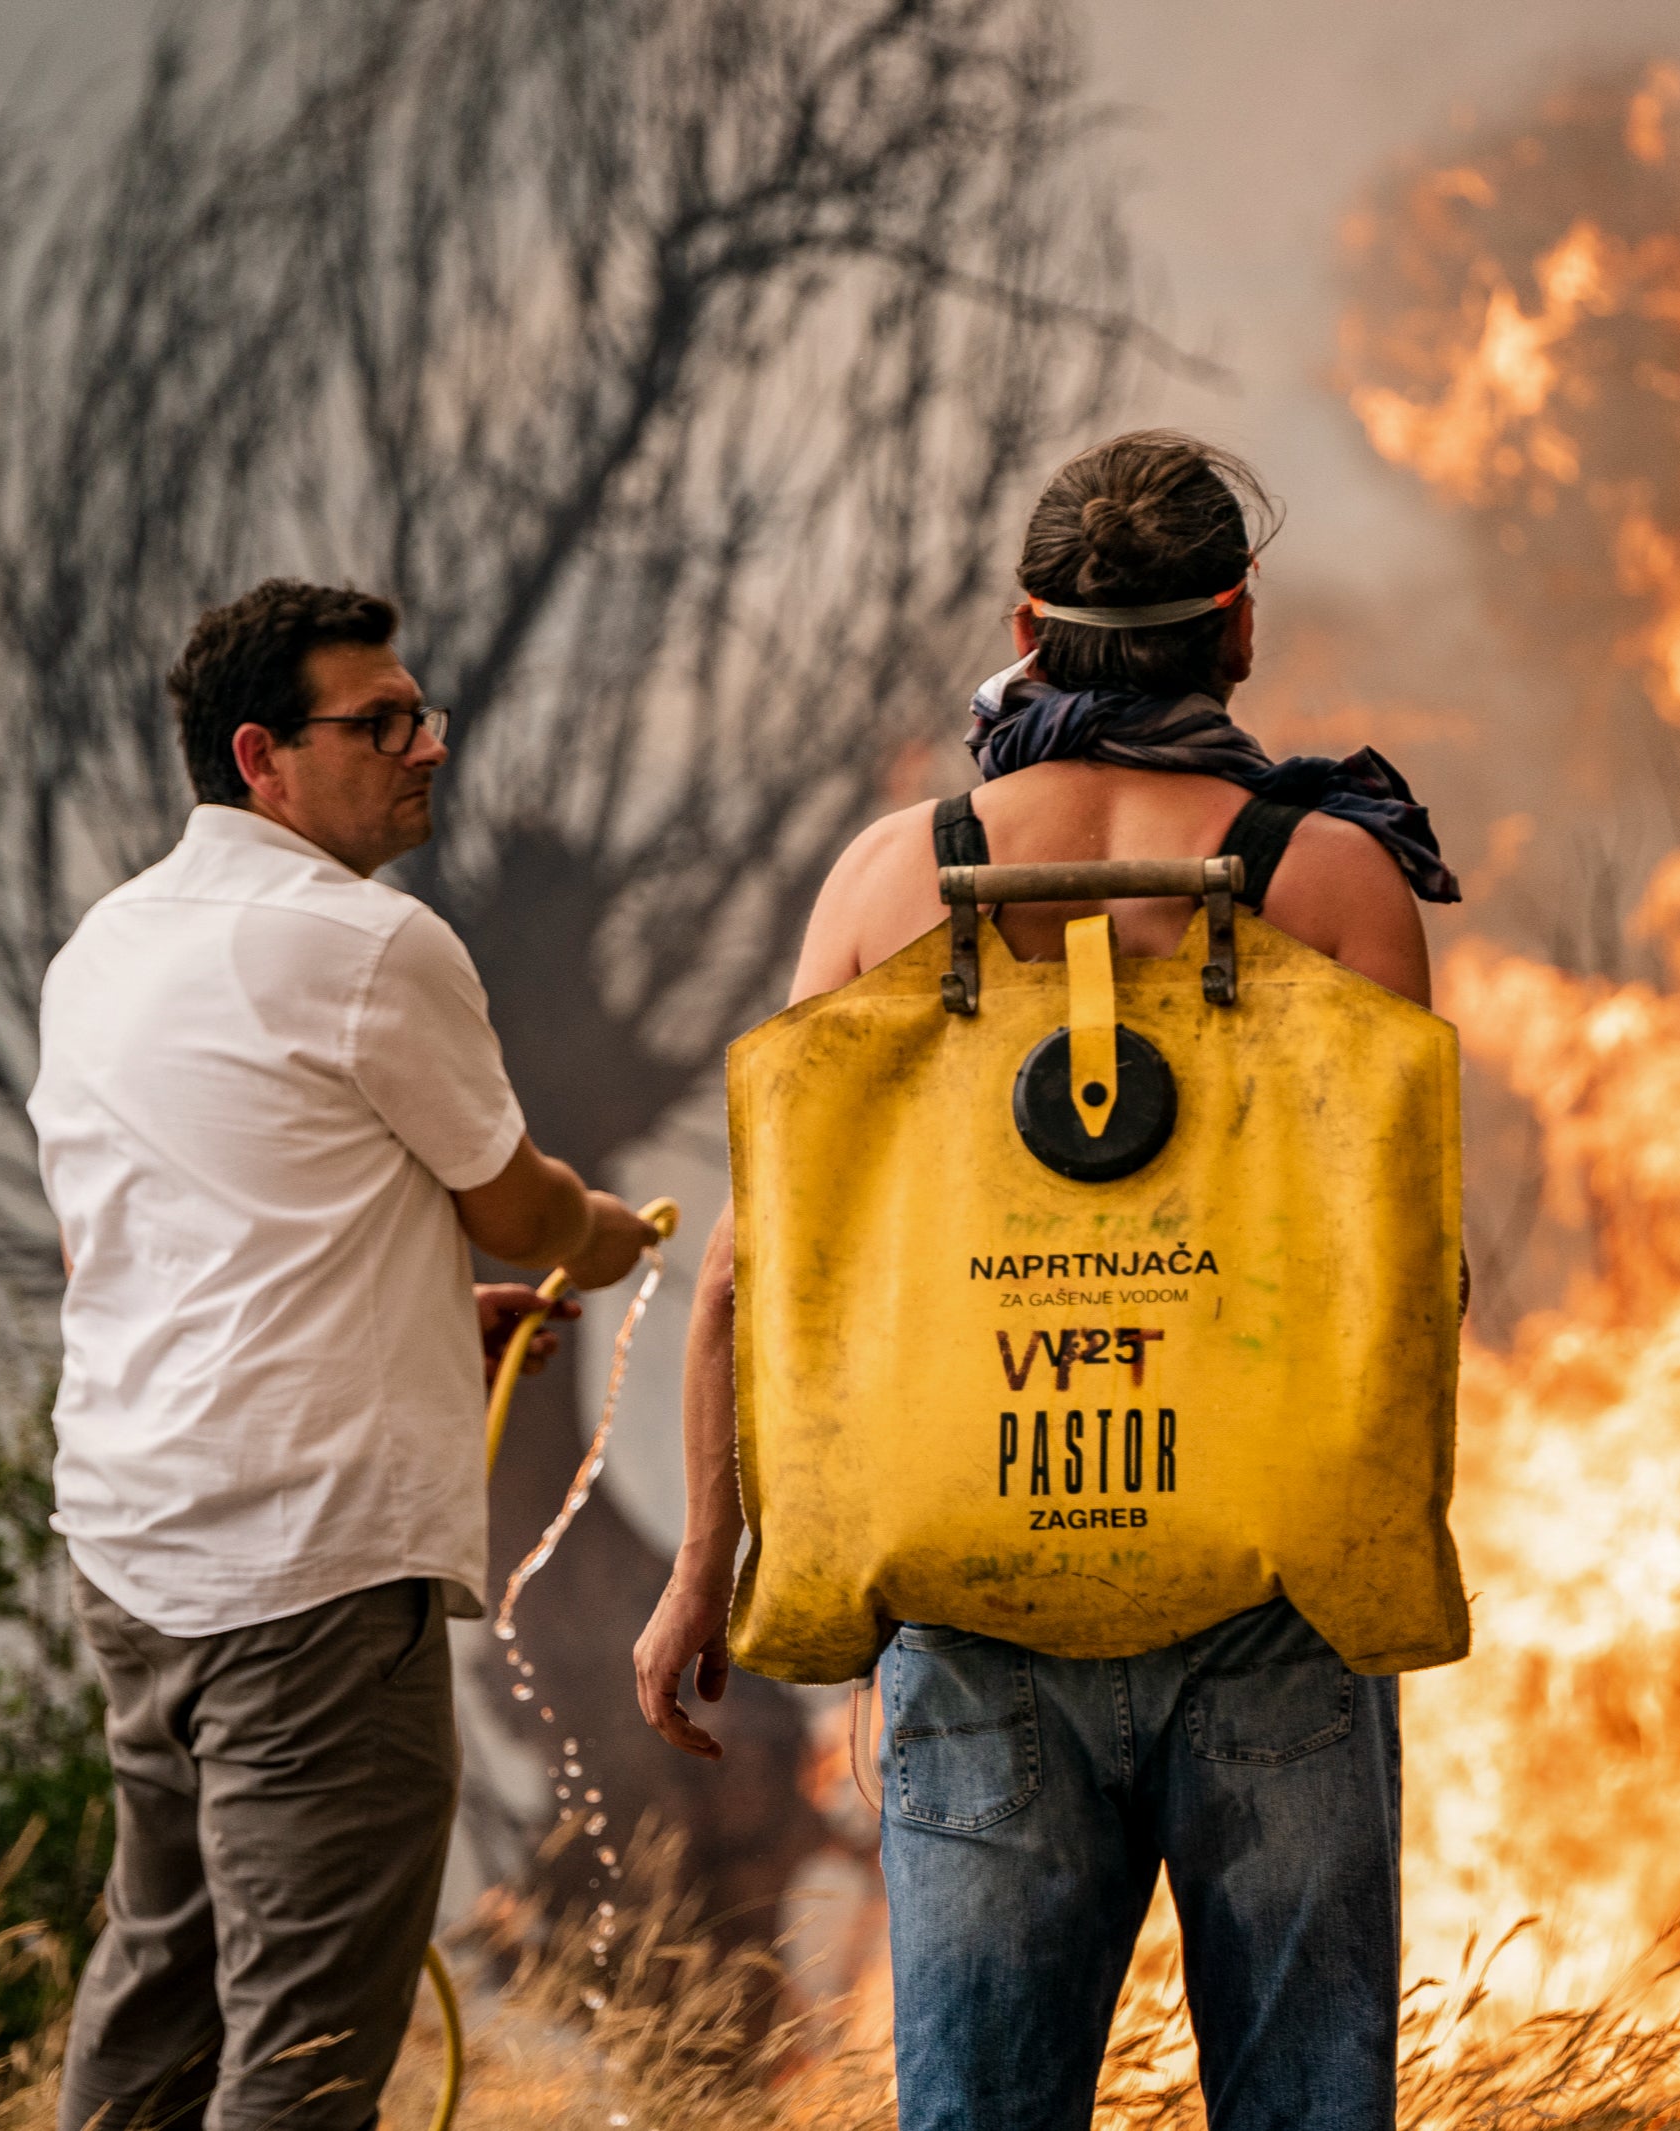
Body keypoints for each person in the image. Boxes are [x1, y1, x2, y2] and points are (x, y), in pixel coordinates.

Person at [634, 431, 1460, 2130]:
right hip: (1275, 1610)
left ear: (1028, 621)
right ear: (1235, 627)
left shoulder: (890, 877)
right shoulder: (1333, 876)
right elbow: (1409, 1277)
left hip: (977, 1597)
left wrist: (703, 1563)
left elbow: (749, 1269)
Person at [30, 579, 658, 2130]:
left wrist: (428, 1321)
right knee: (306, 2054)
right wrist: (616, 1245)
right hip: (307, 1582)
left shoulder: (103, 950)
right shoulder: (374, 946)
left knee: (160, 1987)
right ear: (262, 756)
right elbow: (516, 1204)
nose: (425, 747)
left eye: (420, 714)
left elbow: (173, 1251)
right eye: (377, 724)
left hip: (132, 1556)